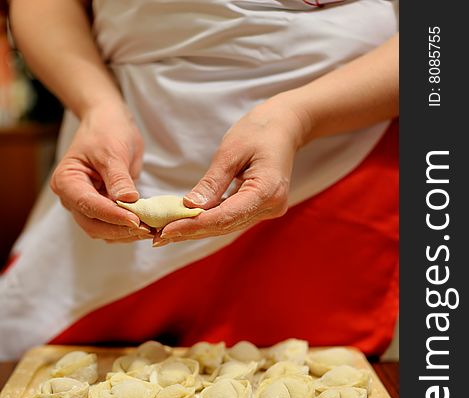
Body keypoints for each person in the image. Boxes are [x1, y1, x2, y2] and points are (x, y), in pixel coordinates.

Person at [0, 0, 399, 360]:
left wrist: (299, 117)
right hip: (121, 138)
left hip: (330, 154)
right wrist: (95, 104)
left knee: (304, 385)